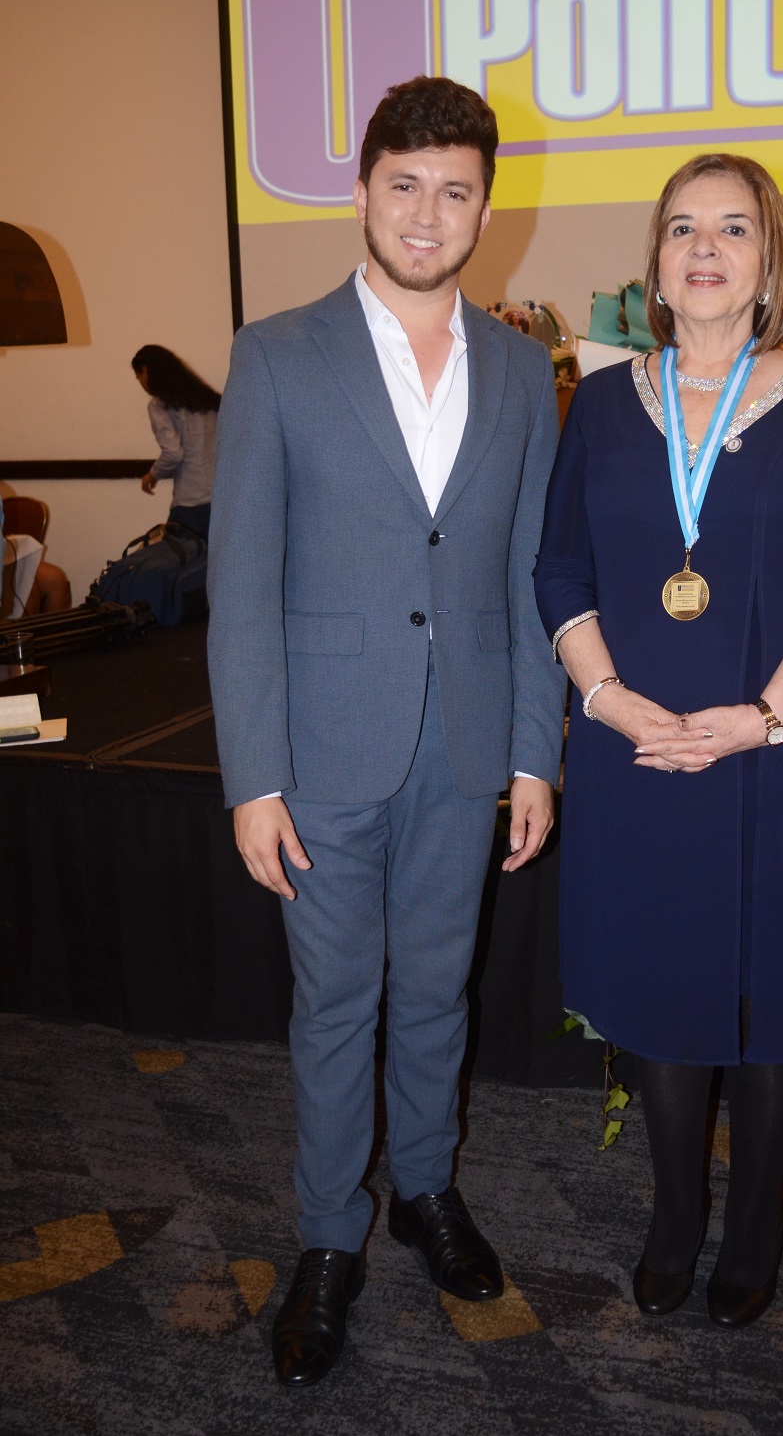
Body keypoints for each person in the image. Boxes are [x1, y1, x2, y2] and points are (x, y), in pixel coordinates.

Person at [207, 76, 565, 1388]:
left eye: (454, 190)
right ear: (361, 191)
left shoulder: (526, 369)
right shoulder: (276, 353)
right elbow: (239, 586)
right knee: (333, 999)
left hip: (464, 742)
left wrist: (535, 751)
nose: (427, 213)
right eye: (403, 184)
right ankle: (325, 1238)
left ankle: (424, 1192)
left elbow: (530, 579)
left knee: (435, 990)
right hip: (320, 747)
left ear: (484, 207)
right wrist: (253, 775)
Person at [534, 153, 783, 1329]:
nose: (704, 247)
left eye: (732, 229)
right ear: (655, 263)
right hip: (640, 752)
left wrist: (767, 713)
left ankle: (756, 1224)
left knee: (772, 995)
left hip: (781, 751)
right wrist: (606, 700)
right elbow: (559, 568)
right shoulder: (598, 402)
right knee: (661, 988)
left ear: (765, 259)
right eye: (682, 227)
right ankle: (676, 1211)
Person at [131, 344, 220, 540]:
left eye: (139, 377)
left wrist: (152, 474)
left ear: (145, 370)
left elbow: (173, 453)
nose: (141, 384)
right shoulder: (210, 400)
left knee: (180, 565)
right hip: (223, 497)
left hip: (191, 502)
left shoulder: (159, 405)